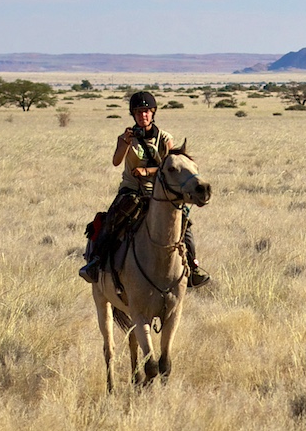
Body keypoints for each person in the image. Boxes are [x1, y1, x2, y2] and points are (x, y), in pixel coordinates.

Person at [79, 91, 212, 288]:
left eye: (147, 111)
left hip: (161, 191)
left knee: (184, 223)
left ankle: (192, 267)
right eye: (139, 112)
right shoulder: (125, 138)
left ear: (153, 113)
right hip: (131, 189)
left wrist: (147, 171)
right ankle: (96, 262)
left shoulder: (165, 138)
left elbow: (171, 167)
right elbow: (116, 162)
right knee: (113, 219)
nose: (143, 116)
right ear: (133, 114)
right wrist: (124, 143)